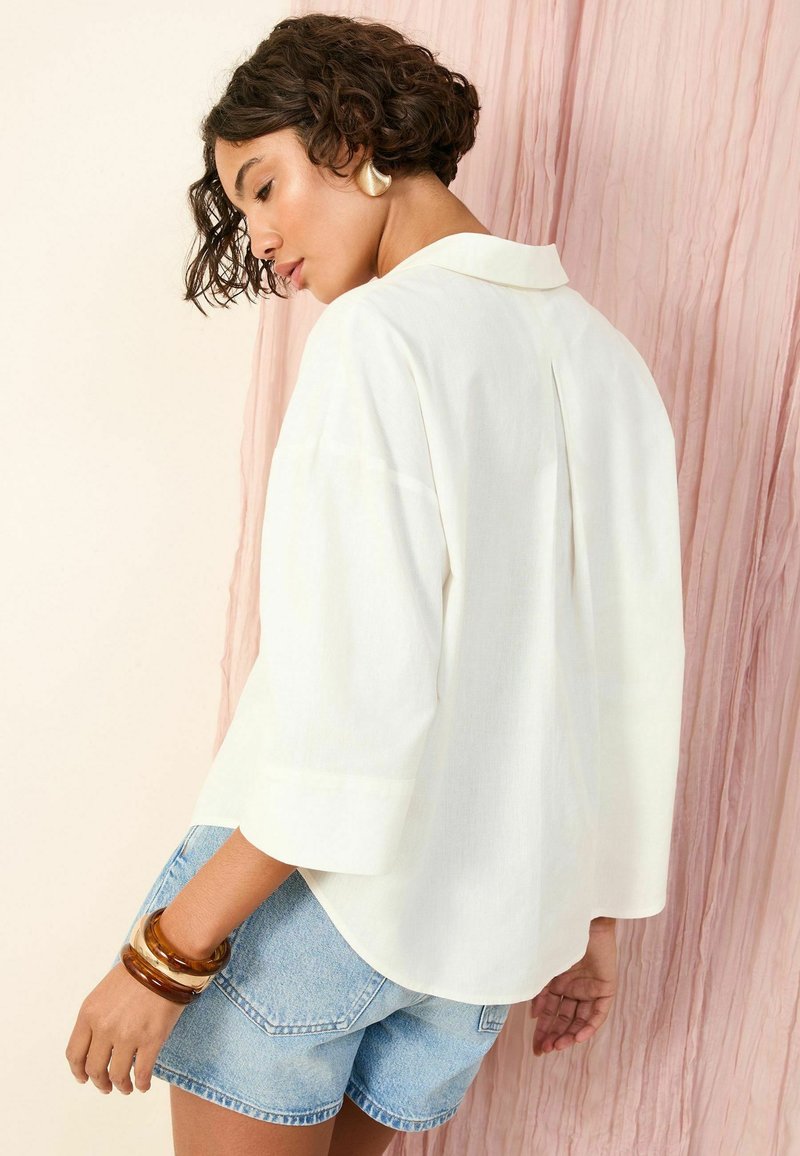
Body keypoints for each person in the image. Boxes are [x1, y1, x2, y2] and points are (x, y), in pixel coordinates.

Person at [65, 12, 684, 1156]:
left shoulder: (378, 339)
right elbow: (633, 670)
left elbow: (352, 711)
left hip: (316, 901)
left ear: (352, 139)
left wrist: (164, 956)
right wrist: (594, 915)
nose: (259, 237)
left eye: (263, 186)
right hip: (486, 938)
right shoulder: (607, 360)